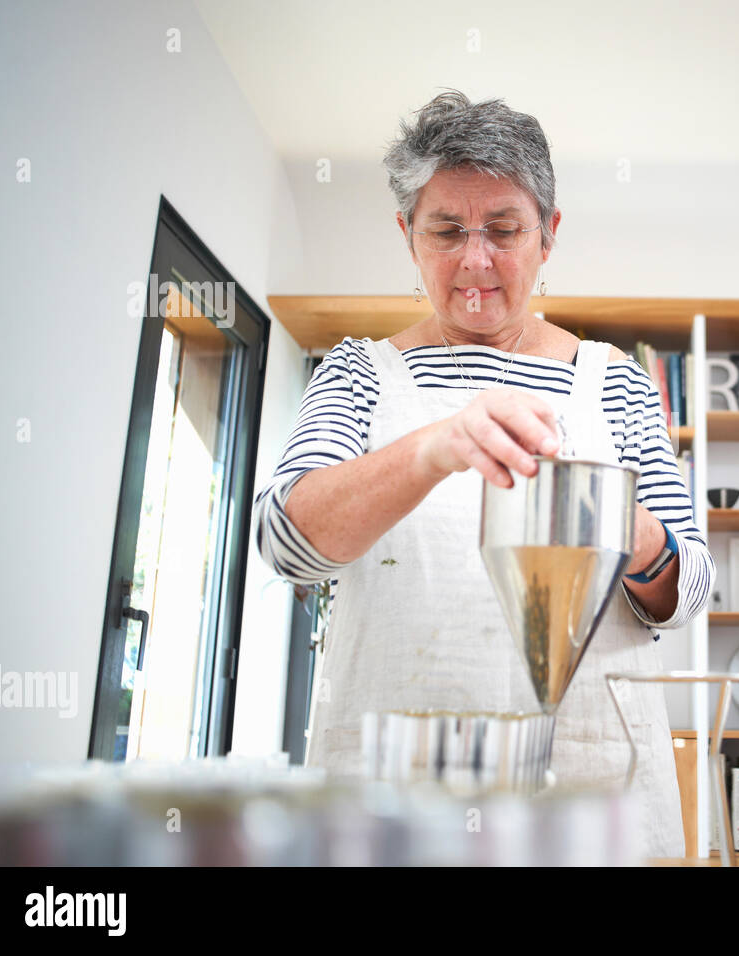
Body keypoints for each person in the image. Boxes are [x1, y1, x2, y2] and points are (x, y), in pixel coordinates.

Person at [252, 90, 713, 859]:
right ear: (407, 235)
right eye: (446, 230)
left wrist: (618, 518)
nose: (475, 260)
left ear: (548, 236)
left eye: (504, 230)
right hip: (395, 803)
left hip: (589, 789)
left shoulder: (618, 383)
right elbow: (286, 545)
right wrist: (436, 448)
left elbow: (686, 591)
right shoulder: (359, 374)